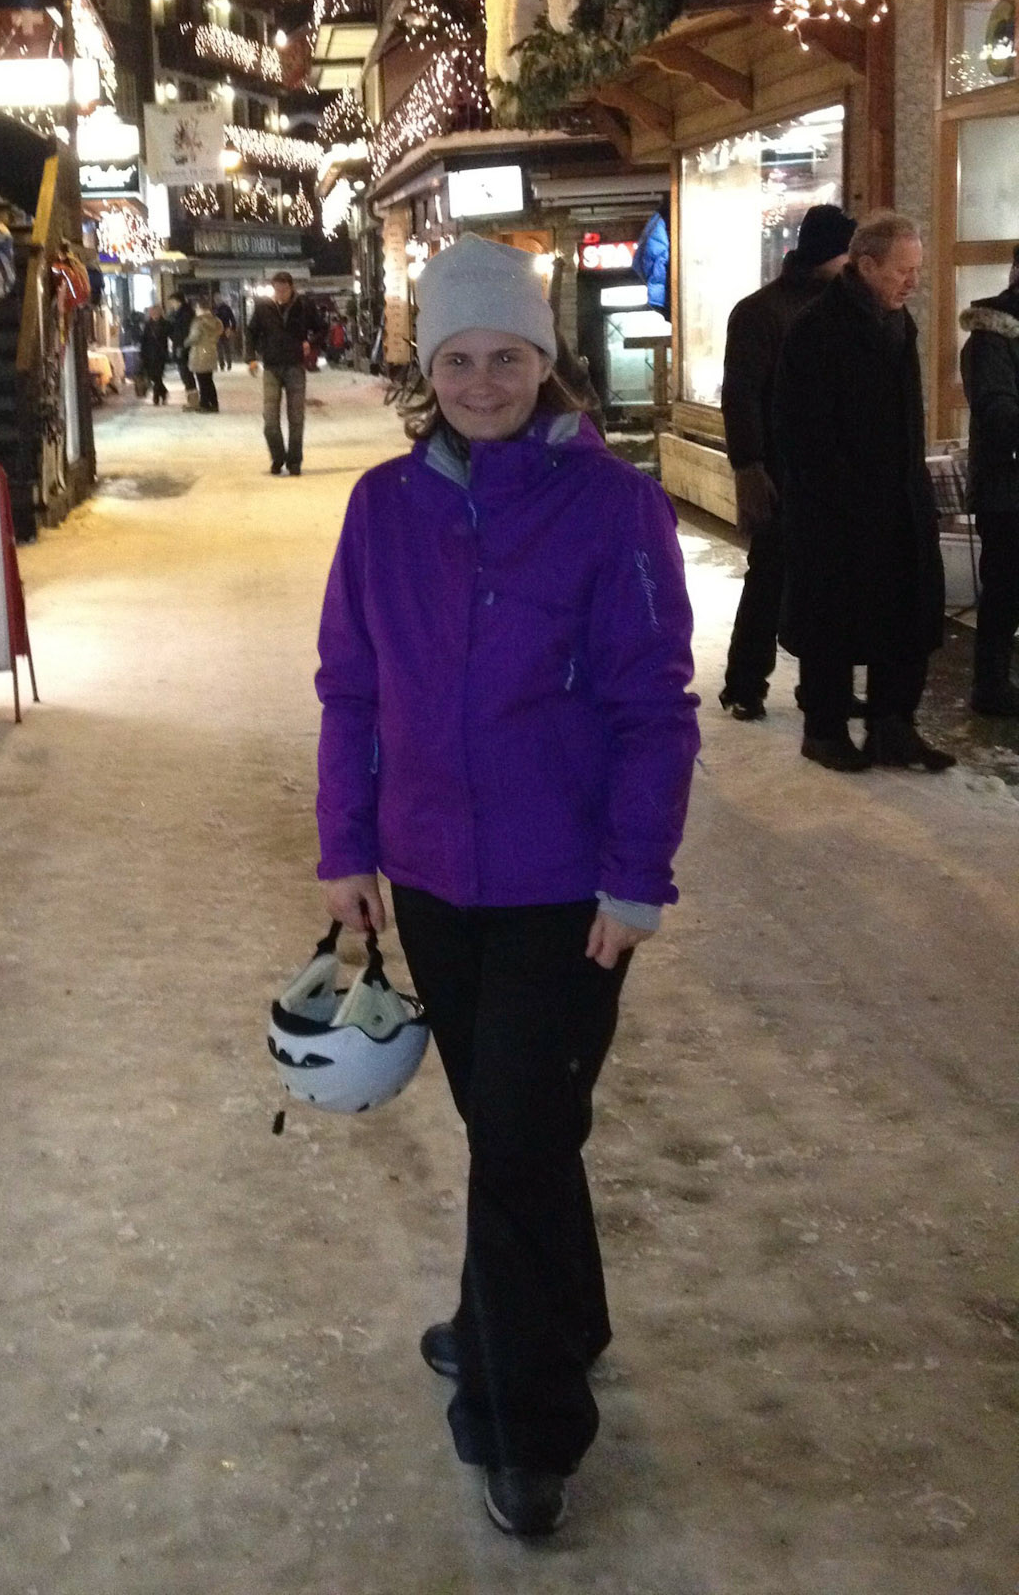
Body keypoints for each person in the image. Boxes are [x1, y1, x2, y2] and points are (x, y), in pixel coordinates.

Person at [314, 234, 699, 1540]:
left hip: (566, 887)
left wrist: (637, 877)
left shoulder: (613, 507)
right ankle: (552, 1313)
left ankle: (519, 1418)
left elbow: (654, 707)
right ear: (426, 370)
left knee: (520, 1137)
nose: (482, 381)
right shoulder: (384, 508)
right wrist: (347, 844)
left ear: (547, 361)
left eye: (507, 357)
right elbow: (352, 688)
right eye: (458, 359)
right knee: (513, 1128)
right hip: (433, 875)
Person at [774, 210, 953, 773]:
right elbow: (802, 432)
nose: (913, 282)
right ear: (867, 265)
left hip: (899, 501)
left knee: (905, 617)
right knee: (834, 619)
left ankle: (892, 727)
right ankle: (824, 731)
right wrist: (838, 496)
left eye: (917, 270)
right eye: (903, 270)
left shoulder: (897, 323)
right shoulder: (818, 330)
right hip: (838, 511)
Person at [718, 203, 856, 720]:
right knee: (771, 578)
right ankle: (744, 683)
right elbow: (742, 393)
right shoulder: (762, 311)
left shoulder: (846, 306)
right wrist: (749, 466)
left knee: (832, 582)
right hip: (780, 470)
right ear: (831, 254)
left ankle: (822, 686)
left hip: (833, 470)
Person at [959, 245, 1019, 715]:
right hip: (1007, 491)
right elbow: (997, 412)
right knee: (1005, 592)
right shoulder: (991, 335)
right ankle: (991, 688)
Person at [245, 271, 316, 475]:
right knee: (270, 419)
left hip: (295, 366)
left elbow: (321, 327)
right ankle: (278, 457)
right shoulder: (264, 307)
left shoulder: (303, 306)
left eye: (284, 289)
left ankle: (294, 462)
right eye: (277, 289)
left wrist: (310, 342)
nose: (280, 293)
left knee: (296, 418)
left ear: (291, 288)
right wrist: (251, 358)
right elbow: (251, 332)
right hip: (272, 367)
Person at [184, 299, 223, 413]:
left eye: (196, 307)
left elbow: (194, 337)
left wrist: (185, 343)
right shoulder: (216, 321)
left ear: (200, 308)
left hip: (199, 352)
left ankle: (204, 404)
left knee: (202, 380)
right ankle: (214, 404)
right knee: (209, 380)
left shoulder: (198, 321)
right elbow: (219, 332)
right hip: (211, 350)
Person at [138, 304, 172, 406]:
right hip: (149, 354)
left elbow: (170, 336)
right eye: (153, 313)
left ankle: (156, 397)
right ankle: (163, 392)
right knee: (153, 376)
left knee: (158, 375)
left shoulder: (166, 324)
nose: (155, 314)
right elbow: (143, 340)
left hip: (160, 354)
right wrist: (142, 354)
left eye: (157, 312)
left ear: (160, 313)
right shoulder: (147, 325)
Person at [167, 293, 196, 400]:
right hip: (181, 345)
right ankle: (191, 397)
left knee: (185, 373)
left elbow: (182, 331)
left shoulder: (184, 314)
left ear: (178, 301)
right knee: (185, 373)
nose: (171, 305)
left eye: (172, 302)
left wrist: (180, 344)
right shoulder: (180, 313)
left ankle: (193, 398)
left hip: (182, 346)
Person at [214, 297, 237, 372]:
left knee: (221, 348)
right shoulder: (226, 308)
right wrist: (232, 328)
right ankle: (227, 364)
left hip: (220, 330)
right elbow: (232, 319)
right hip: (224, 329)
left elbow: (232, 319)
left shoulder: (216, 309)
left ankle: (223, 365)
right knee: (225, 348)